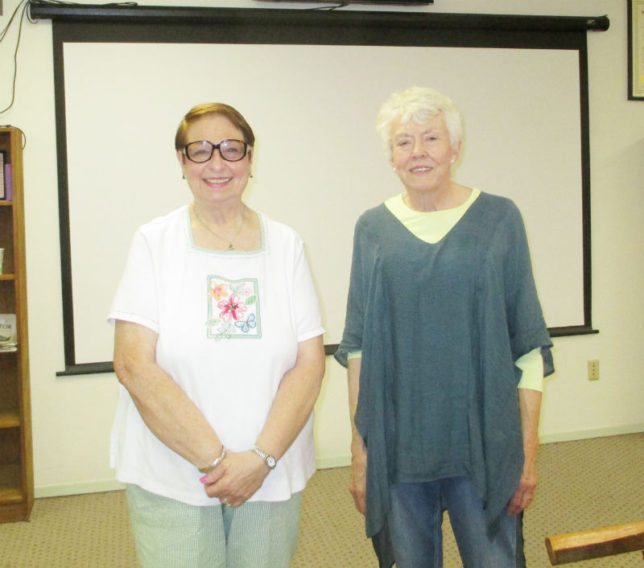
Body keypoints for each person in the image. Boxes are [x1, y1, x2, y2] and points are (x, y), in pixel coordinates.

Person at [334, 86, 554, 568]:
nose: (418, 152)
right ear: (390, 157)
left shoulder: (500, 219)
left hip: (485, 445)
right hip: (400, 450)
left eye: (430, 138)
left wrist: (528, 452)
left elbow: (528, 346)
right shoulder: (372, 229)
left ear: (455, 148)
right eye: (403, 141)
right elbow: (359, 350)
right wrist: (360, 450)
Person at [109, 102, 325, 568]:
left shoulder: (287, 245)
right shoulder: (153, 241)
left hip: (269, 472)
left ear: (250, 158)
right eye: (200, 150)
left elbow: (309, 361)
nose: (217, 163)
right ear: (182, 163)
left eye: (231, 149)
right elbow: (133, 364)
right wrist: (217, 464)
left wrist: (260, 460)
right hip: (176, 472)